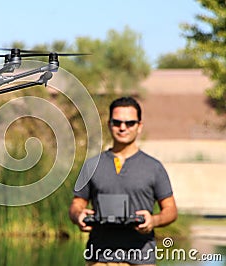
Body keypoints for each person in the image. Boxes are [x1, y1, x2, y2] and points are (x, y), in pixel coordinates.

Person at [69, 96, 177, 266]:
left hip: (141, 259)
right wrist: (78, 215)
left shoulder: (154, 167)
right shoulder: (91, 165)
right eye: (117, 122)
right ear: (109, 124)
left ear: (139, 126)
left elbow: (171, 210)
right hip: (99, 258)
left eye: (130, 123)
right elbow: (77, 204)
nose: (123, 128)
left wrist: (153, 221)